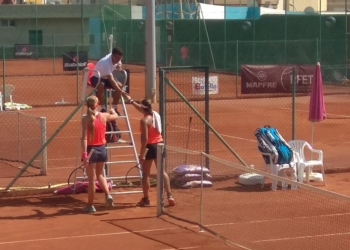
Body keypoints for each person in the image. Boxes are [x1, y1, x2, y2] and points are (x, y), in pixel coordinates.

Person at [121, 92, 175, 207]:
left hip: (149, 147)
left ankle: (146, 199)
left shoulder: (144, 121)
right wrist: (130, 100)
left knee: (145, 174)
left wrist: (141, 154)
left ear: (143, 108)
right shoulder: (155, 114)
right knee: (162, 171)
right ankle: (170, 195)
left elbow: (145, 139)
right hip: (160, 144)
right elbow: (141, 108)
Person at [81, 95, 119, 213]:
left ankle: (90, 206)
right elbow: (116, 116)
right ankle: (108, 195)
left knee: (92, 179)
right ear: (97, 105)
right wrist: (113, 110)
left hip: (92, 149)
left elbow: (84, 139)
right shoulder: (104, 116)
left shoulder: (86, 119)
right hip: (102, 148)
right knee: (100, 175)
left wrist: (85, 155)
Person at [90, 47, 124, 114]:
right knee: (101, 86)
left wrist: (120, 66)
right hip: (96, 77)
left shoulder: (118, 59)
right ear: (112, 55)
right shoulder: (105, 63)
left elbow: (119, 65)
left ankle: (114, 108)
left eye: (120, 58)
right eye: (117, 58)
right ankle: (103, 108)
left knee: (119, 85)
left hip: (106, 78)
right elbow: (111, 79)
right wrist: (120, 91)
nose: (118, 60)